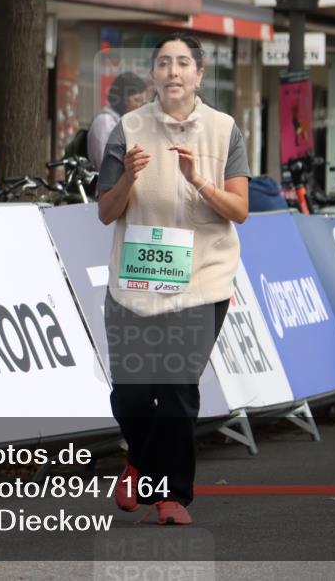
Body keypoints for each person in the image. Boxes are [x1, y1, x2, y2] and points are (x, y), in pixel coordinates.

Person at [97, 33, 250, 526]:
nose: (173, 72)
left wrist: (199, 181)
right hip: (137, 279)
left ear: (199, 75)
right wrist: (128, 179)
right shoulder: (127, 128)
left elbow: (240, 210)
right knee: (134, 394)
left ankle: (171, 497)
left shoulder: (225, 130)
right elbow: (105, 212)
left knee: (178, 386)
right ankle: (140, 459)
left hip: (203, 277)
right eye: (163, 63)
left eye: (183, 63)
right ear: (153, 76)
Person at [87, 71, 147, 170]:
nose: (139, 106)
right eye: (136, 100)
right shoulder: (104, 122)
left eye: (142, 101)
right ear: (122, 98)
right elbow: (104, 164)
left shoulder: (125, 122)